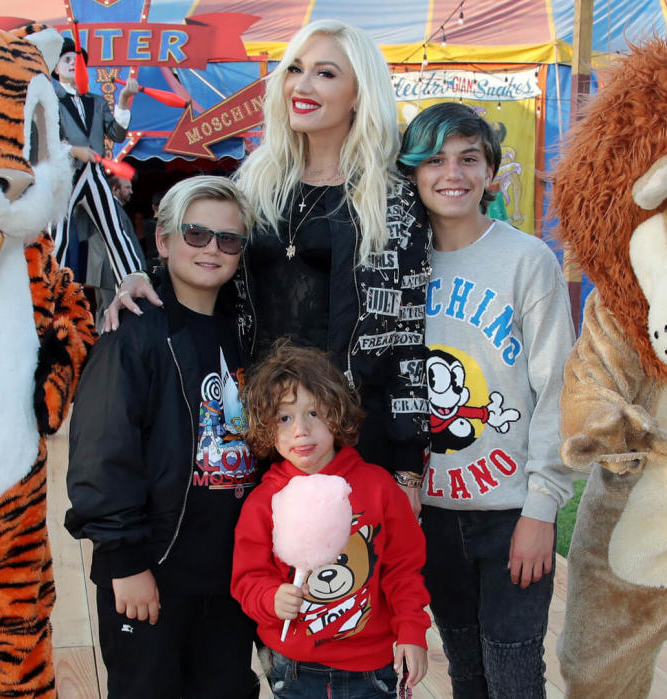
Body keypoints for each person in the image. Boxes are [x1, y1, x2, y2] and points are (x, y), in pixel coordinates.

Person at [106, 20, 431, 510]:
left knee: (346, 582)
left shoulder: (393, 200)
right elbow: (205, 255)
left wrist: (408, 467)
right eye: (295, 69)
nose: (302, 85)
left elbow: (408, 336)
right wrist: (147, 276)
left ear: (360, 94)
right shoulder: (254, 181)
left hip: (353, 440)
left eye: (325, 74)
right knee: (258, 584)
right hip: (255, 436)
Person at [397, 102, 575, 698]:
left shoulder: (527, 261)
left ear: (491, 171)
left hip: (510, 512)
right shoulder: (395, 266)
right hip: (430, 514)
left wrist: (542, 508)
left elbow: (558, 389)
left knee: (515, 673)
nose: (453, 173)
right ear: (414, 172)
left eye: (469, 158)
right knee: (466, 673)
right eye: (437, 160)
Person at [65, 176, 261, 699]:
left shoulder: (242, 330)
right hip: (153, 569)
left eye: (228, 239)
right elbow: (102, 454)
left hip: (228, 576)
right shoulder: (133, 332)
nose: (212, 249)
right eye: (196, 234)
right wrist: (124, 561)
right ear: (164, 240)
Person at [231, 342, 431, 698]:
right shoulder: (264, 502)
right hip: (294, 667)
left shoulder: (378, 487)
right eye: (284, 417)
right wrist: (271, 598)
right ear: (266, 426)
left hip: (373, 667)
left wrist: (412, 632)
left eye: (314, 413)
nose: (300, 431)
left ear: (336, 414)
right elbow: (247, 578)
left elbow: (403, 569)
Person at [52, 38, 145, 286]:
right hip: (66, 173)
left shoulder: (97, 101)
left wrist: (124, 100)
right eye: (67, 60)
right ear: (56, 68)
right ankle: (49, 289)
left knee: (115, 230)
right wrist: (72, 150)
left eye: (77, 60)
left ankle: (132, 280)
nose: (73, 64)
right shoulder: (50, 99)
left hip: (93, 173)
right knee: (57, 235)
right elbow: (46, 137)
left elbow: (116, 134)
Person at [84, 173, 135, 321]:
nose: (131, 191)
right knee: (110, 312)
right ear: (114, 189)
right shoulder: (111, 208)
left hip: (101, 269)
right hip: (108, 270)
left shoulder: (109, 207)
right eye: (127, 187)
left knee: (103, 311)